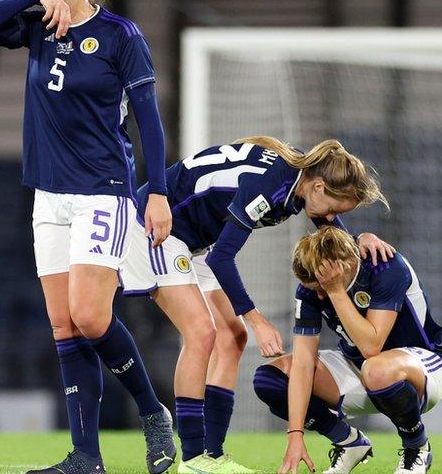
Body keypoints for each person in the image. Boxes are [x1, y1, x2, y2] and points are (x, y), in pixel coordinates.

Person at [0, 0, 175, 474]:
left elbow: (147, 122)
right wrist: (34, 0)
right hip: (49, 195)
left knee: (89, 314)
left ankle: (154, 413)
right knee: (63, 323)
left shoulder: (119, 36)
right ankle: (86, 456)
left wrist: (155, 192)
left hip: (103, 190)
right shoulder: (37, 23)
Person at [120, 137, 396, 473]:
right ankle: (193, 460)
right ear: (320, 186)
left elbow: (329, 234)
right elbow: (223, 258)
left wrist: (359, 239)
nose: (331, 217)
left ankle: (213, 456)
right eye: (334, 208)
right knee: (202, 334)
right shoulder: (269, 187)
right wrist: (257, 319)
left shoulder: (300, 181)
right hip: (157, 229)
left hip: (195, 240)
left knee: (231, 338)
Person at [254, 226, 442, 474]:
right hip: (360, 370)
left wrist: (335, 291)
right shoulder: (312, 291)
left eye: (322, 286)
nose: (319, 294)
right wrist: (295, 435)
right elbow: (303, 364)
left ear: (344, 265)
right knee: (269, 379)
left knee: (376, 369)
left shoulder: (385, 268)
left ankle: (417, 446)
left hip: (422, 371)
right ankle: (347, 442)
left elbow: (371, 346)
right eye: (315, 288)